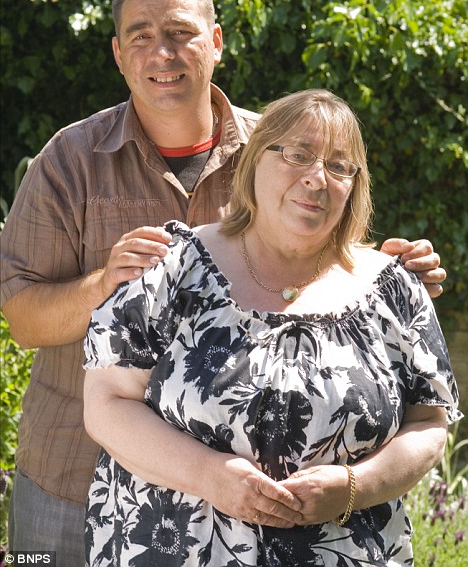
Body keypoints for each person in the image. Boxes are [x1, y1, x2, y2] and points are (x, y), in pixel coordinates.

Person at [0, 0, 446, 564]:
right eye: (140, 35)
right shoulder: (69, 161)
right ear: (118, 55)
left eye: (181, 32)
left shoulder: (281, 148)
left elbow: (333, 251)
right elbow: (23, 319)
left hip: (266, 523)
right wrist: (103, 284)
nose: (163, 52)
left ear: (215, 42)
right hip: (69, 476)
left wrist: (390, 274)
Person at [83, 88, 460, 566]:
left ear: (354, 186)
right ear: (255, 159)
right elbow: (107, 403)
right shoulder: (173, 270)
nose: (317, 179)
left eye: (339, 166)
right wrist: (209, 476)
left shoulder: (392, 289)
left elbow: (428, 424)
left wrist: (353, 488)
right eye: (298, 155)